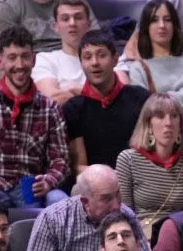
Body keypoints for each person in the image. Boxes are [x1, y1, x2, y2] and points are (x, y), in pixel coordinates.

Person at [0, 26, 71, 199]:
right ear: (1, 62)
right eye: (12, 57)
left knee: (59, 199)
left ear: (34, 59)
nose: (20, 65)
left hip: (32, 190)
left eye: (25, 56)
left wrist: (48, 181)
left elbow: (60, 160)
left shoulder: (50, 109)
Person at [25, 165, 156, 251]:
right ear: (85, 202)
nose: (116, 205)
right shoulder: (53, 219)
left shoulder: (126, 217)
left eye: (118, 194)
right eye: (107, 199)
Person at [61, 30, 149, 174]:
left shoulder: (140, 98)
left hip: (138, 178)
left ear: (115, 59)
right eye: (87, 57)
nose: (95, 62)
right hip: (94, 182)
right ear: (81, 63)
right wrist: (111, 179)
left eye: (101, 55)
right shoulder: (74, 108)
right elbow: (79, 166)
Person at [117, 94, 183, 241]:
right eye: (160, 116)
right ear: (148, 124)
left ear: (181, 124)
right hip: (140, 235)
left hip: (179, 235)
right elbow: (125, 213)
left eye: (174, 116)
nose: (168, 123)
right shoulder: (128, 160)